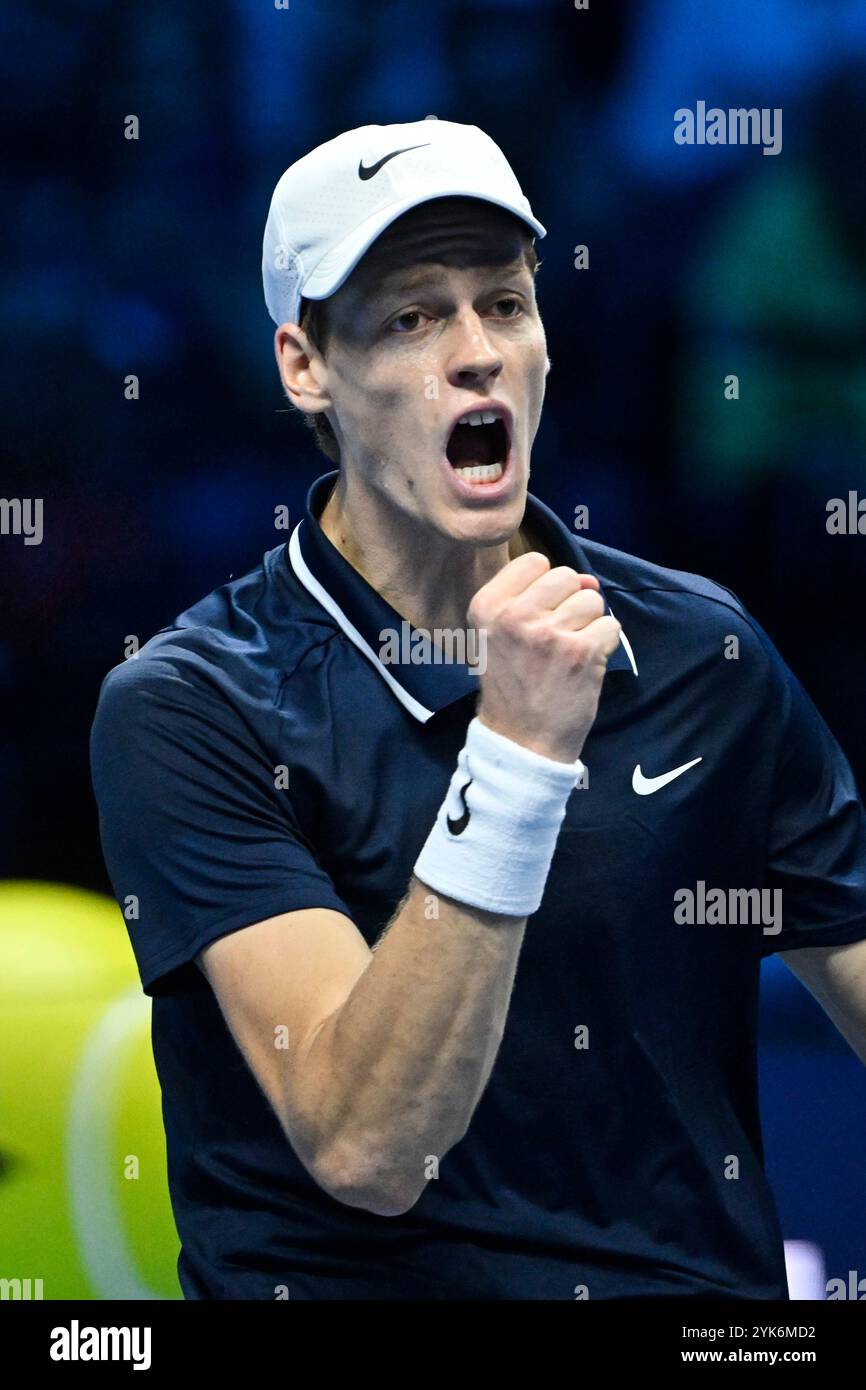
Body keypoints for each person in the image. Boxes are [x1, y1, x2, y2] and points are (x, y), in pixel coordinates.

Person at [90, 118, 866, 1301]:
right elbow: (365, 1144)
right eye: (411, 317)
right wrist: (513, 752)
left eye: (502, 304)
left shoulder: (701, 651)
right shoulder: (191, 706)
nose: (475, 353)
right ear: (306, 364)